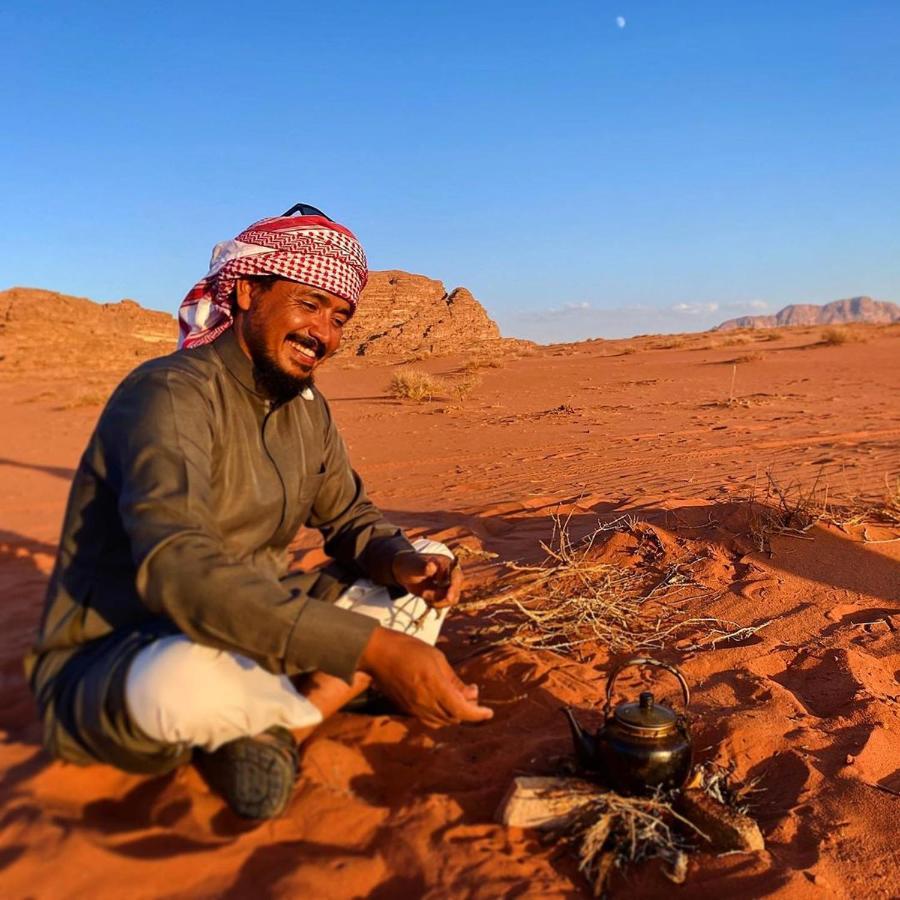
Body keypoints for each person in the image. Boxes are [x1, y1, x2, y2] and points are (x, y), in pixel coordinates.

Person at [25, 204, 492, 820]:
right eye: (308, 304)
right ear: (246, 292)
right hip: (132, 645)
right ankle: (300, 706)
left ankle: (281, 728)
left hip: (256, 624)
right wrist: (375, 652)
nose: (323, 332)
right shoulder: (169, 393)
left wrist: (401, 562)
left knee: (432, 560)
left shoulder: (306, 408)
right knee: (183, 681)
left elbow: (351, 520)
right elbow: (178, 571)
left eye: (338, 315)